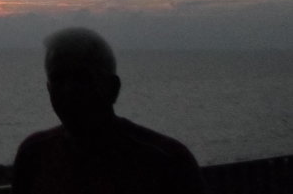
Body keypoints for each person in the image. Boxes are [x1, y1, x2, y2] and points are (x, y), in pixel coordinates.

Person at [12, 27, 206, 194]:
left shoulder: (166, 162)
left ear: (112, 88)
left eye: (81, 78)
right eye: (58, 79)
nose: (68, 90)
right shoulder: (33, 155)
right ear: (48, 88)